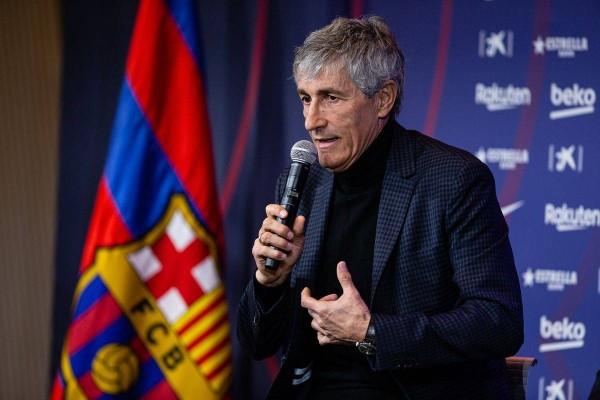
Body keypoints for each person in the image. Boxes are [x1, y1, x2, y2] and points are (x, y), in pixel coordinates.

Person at [237, 16, 523, 399]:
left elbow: (498, 321)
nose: (311, 120)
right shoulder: (303, 181)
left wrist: (371, 331)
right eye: (306, 98)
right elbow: (257, 344)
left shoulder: (453, 180)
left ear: (383, 98)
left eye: (331, 98)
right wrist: (269, 283)